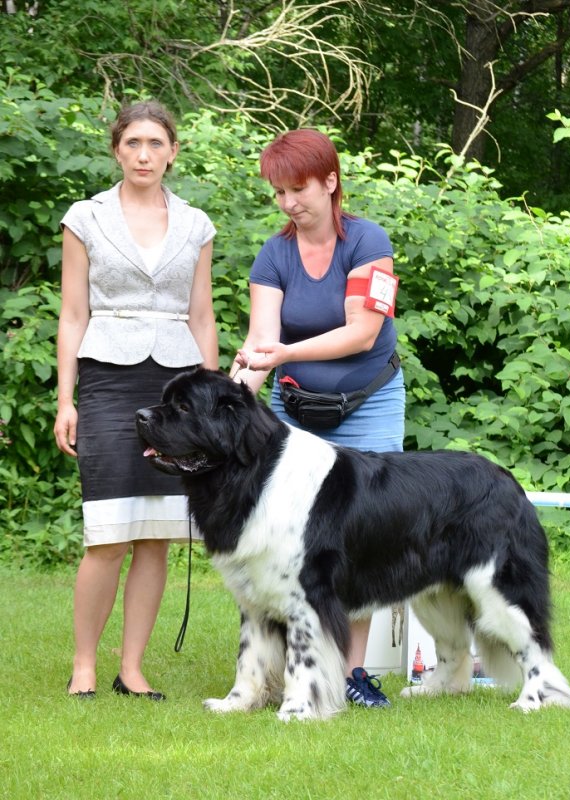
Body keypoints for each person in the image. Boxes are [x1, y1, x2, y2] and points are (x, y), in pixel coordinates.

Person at [230, 128, 405, 708]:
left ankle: (353, 674)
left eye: (298, 188)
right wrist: (231, 400)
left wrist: (284, 355)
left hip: (369, 404)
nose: (288, 203)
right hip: (295, 413)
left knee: (362, 533)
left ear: (330, 182)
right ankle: (287, 669)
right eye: (278, 192)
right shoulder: (273, 253)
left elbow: (363, 332)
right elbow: (261, 340)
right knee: (289, 543)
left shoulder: (369, 242)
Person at [54, 100, 218, 700]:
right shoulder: (86, 217)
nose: (144, 154)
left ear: (173, 150)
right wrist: (66, 398)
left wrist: (211, 398)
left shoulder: (197, 224)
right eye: (132, 144)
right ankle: (85, 666)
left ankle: (132, 668)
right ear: (116, 150)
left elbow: (202, 313)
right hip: (106, 378)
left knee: (155, 532)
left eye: (155, 143)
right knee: (108, 531)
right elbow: (73, 314)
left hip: (176, 382)